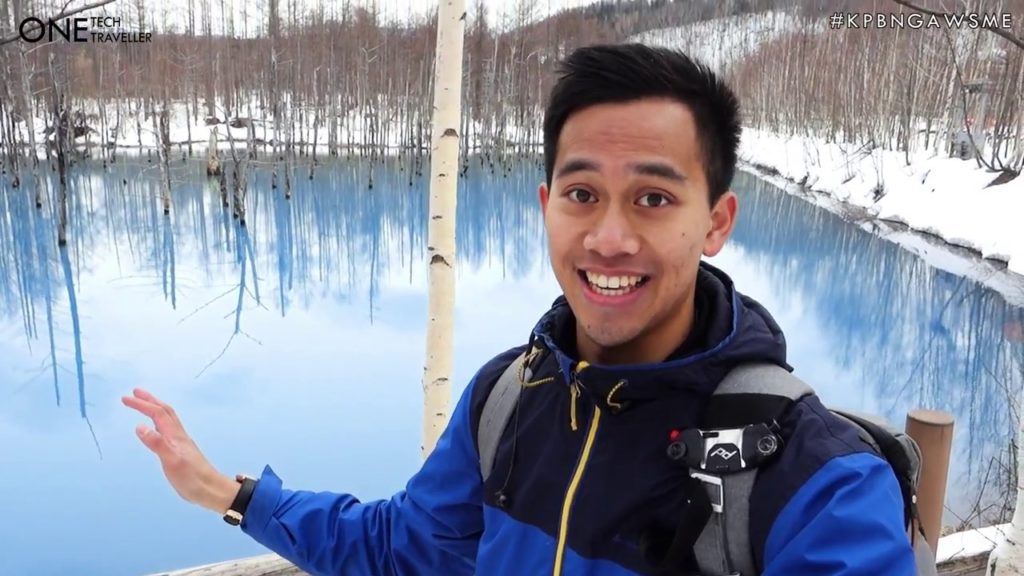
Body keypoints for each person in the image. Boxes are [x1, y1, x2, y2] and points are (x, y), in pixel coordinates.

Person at [124, 44, 918, 575]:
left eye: (652, 197)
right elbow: (403, 547)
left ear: (715, 221)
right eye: (581, 194)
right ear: (546, 205)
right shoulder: (509, 401)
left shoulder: (814, 482)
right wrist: (231, 496)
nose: (609, 238)